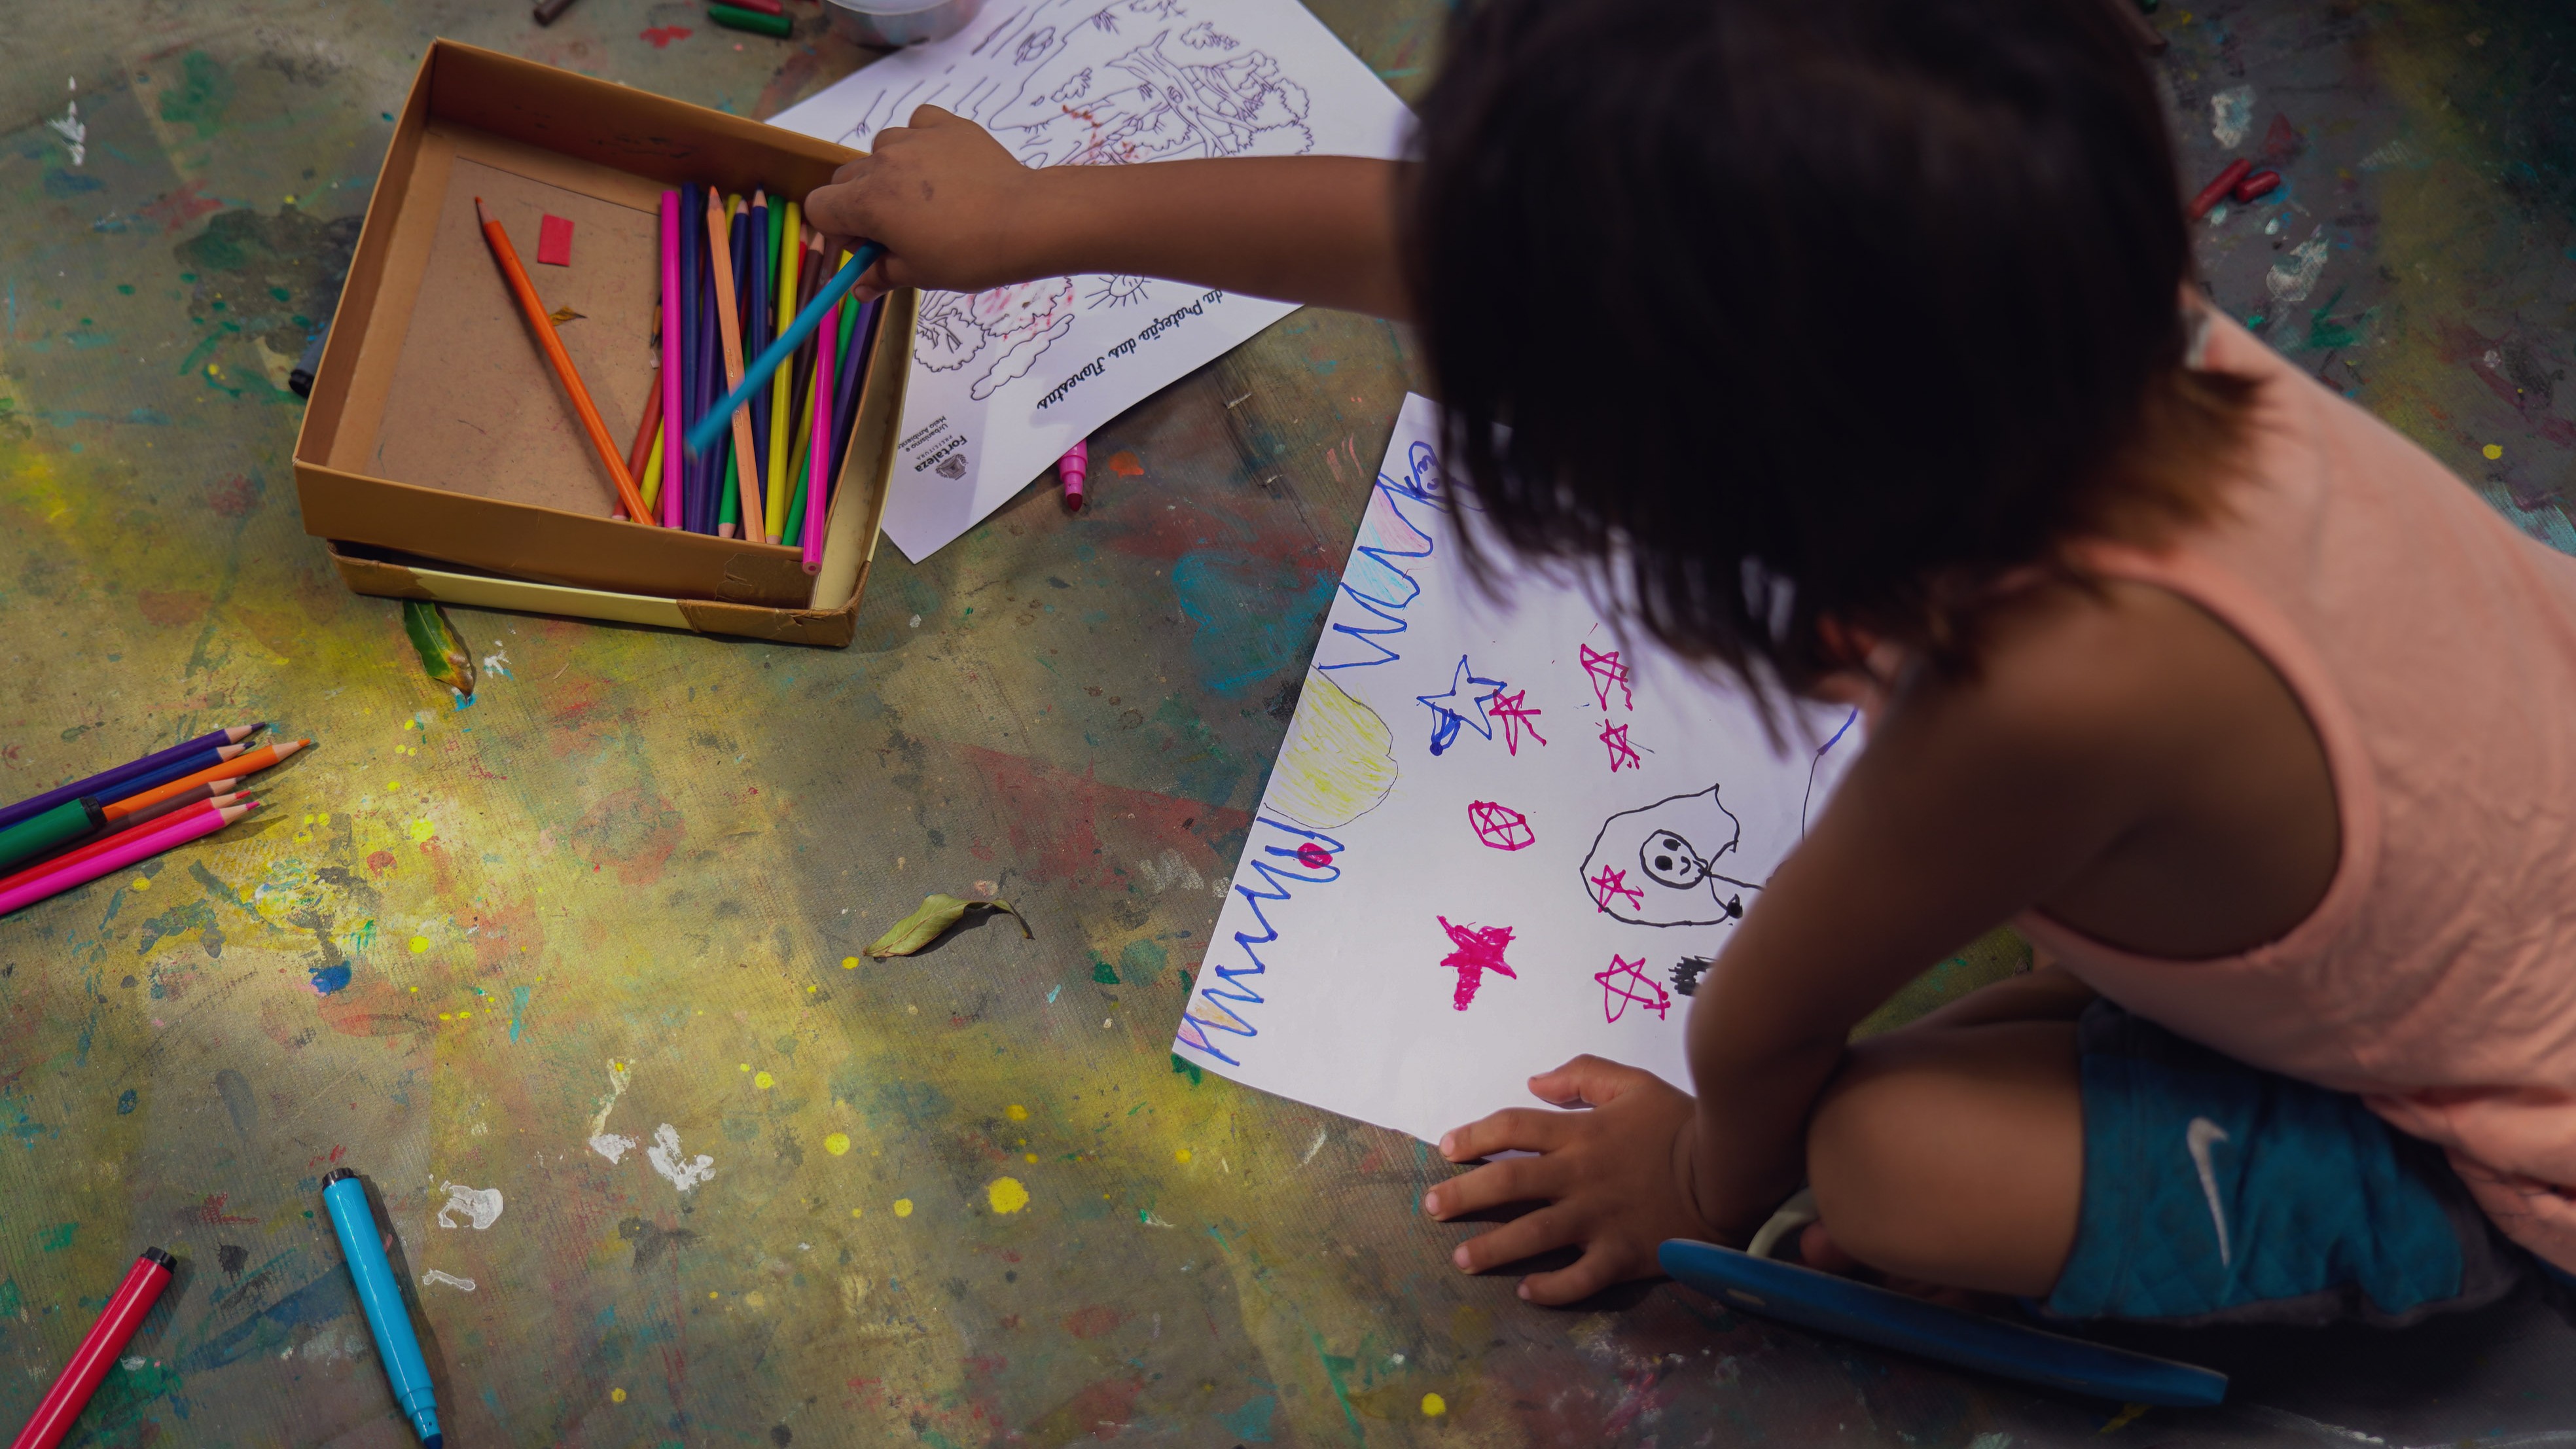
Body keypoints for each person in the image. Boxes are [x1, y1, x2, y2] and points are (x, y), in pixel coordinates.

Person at [804, 0, 2576, 1325]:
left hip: (2494, 1124)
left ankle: (2417, 1228)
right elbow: (1478, 246)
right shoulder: (2036, 300)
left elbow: (1765, 1019)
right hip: (2473, 836)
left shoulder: (2046, 686)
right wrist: (1040, 215)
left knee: (1874, 1161)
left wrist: (1691, 1181)